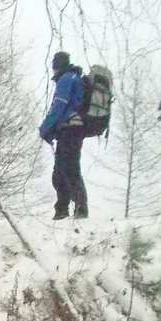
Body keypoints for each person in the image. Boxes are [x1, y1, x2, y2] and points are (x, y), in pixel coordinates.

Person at [39, 51, 89, 220]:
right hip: (70, 129)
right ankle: (62, 210)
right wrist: (52, 130)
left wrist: (44, 128)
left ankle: (80, 209)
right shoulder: (73, 78)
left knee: (69, 168)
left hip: (71, 130)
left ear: (57, 66)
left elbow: (59, 106)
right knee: (61, 171)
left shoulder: (67, 79)